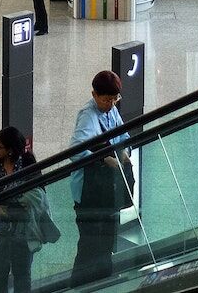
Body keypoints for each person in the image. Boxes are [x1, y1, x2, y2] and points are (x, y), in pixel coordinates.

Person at [0, 127, 58, 293]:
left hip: (23, 231)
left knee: (22, 274)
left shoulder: (28, 162)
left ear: (11, 150)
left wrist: (4, 208)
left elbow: (38, 195)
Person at [69, 71, 131, 287]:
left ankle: (103, 282)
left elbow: (123, 135)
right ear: (94, 95)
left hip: (107, 190)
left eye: (115, 99)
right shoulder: (88, 115)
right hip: (89, 192)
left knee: (106, 241)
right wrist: (105, 158)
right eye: (106, 99)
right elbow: (76, 151)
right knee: (89, 244)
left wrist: (123, 152)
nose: (111, 104)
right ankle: (81, 285)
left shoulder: (111, 110)